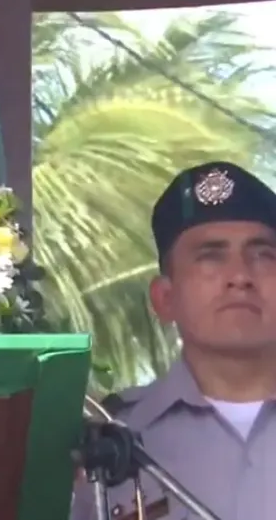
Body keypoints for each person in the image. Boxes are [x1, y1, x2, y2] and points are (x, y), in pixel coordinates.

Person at [71, 161, 276, 520]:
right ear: (165, 298)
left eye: (262, 255)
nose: (241, 276)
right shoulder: (104, 444)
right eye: (210, 257)